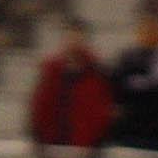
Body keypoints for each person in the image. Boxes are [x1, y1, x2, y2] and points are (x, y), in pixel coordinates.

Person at [111, 0, 158, 150]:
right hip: (132, 128)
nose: (150, 29)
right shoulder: (127, 57)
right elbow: (120, 88)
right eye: (146, 24)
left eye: (155, 24)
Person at [28, 19, 114, 150]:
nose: (73, 43)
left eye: (77, 38)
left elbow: (100, 115)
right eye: (70, 38)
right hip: (51, 149)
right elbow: (39, 109)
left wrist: (89, 148)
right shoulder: (51, 72)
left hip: (85, 153)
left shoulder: (97, 73)